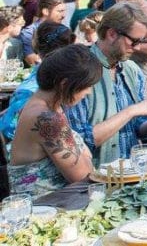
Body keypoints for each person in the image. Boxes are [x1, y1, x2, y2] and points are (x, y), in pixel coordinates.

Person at [66, 1, 147, 165]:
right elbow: (80, 142)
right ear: (112, 34)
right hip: (96, 178)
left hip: (132, 169)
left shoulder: (131, 69)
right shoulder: (79, 72)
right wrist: (131, 111)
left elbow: (138, 126)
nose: (137, 47)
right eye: (134, 41)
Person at [6, 45, 101, 196]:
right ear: (65, 84)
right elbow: (83, 176)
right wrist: (85, 154)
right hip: (42, 210)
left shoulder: (44, 106)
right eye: (87, 86)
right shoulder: (47, 118)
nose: (88, 92)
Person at [0, 23, 76, 139]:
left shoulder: (31, 86)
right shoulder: (32, 89)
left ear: (36, 46)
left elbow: (10, 130)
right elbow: (13, 130)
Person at [20, 0, 66, 65]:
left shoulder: (62, 29)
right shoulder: (29, 33)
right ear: (46, 12)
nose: (64, 15)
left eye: (64, 11)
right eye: (60, 11)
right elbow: (32, 61)